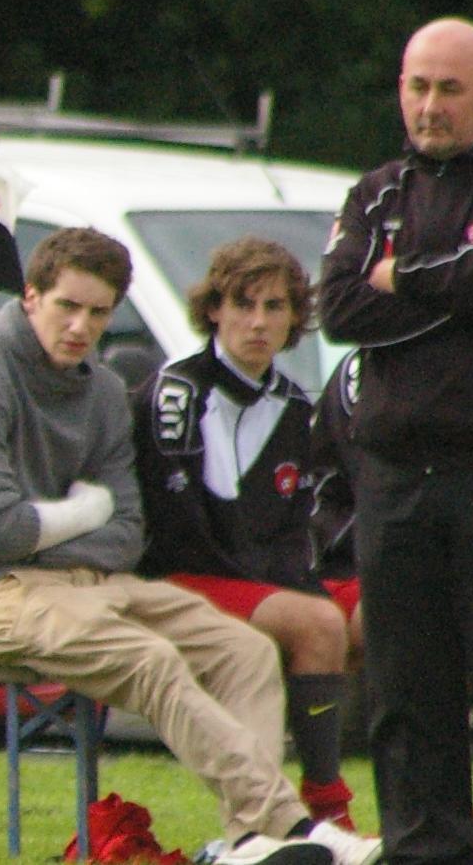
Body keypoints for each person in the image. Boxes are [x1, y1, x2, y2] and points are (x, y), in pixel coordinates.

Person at [0, 228, 374, 865]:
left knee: (242, 650)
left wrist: (74, 526)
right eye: (66, 306)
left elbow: (127, 531)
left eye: (99, 313)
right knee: (153, 659)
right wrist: (85, 512)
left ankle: (251, 842)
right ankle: (290, 828)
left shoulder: (103, 388)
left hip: (95, 581)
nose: (81, 326)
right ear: (30, 297)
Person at [318, 16, 473, 864]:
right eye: (416, 86)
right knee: (404, 688)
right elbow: (341, 305)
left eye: (448, 88)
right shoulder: (373, 194)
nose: (429, 106)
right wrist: (462, 285)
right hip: (392, 476)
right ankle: (424, 848)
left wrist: (405, 278)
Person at [129, 238, 362, 826]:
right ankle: (325, 805)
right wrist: (285, 598)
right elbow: (179, 529)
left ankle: (435, 808)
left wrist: (294, 588)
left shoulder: (291, 404)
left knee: (373, 617)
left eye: (275, 308)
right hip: (175, 580)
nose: (258, 323)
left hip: (254, 585)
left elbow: (290, 532)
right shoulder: (175, 394)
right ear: (214, 309)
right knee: (316, 622)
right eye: (243, 304)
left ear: (294, 321)